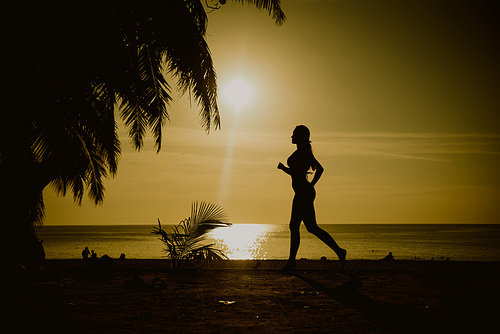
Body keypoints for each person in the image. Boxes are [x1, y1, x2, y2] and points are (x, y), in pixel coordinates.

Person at [278, 125, 346, 271]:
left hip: (303, 193)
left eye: (294, 134)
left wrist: (310, 185)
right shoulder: (302, 151)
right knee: (310, 227)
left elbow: (313, 171)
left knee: (296, 226)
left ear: (300, 137)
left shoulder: (303, 152)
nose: (291, 137)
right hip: (303, 192)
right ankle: (339, 251)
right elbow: (303, 172)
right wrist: (285, 170)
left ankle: (291, 262)